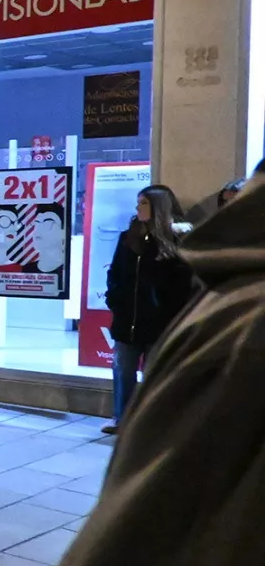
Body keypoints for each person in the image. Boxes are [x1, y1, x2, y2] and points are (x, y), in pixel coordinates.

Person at [24, 161, 265, 566]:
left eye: (141, 205)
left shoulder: (196, 272)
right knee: (126, 384)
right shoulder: (246, 330)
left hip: (149, 327)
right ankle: (122, 413)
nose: (134, 212)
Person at [101, 185, 195, 434]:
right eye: (138, 202)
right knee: (123, 370)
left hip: (159, 321)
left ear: (158, 206)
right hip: (127, 319)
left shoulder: (177, 238)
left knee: (155, 374)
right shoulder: (129, 237)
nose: (137, 207)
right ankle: (122, 419)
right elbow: (115, 272)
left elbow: (184, 283)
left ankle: (152, 422)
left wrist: (168, 309)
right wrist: (114, 299)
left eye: (143, 202)